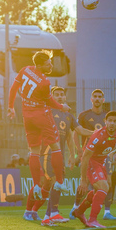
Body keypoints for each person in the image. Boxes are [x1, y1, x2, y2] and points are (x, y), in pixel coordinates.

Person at [22, 86, 93, 226]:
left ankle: (46, 216)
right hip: (46, 151)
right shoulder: (46, 111)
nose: (60, 97)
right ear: (52, 97)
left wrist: (72, 155)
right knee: (53, 181)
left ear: (65, 98)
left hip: (58, 155)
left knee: (51, 183)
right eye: (57, 95)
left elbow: (76, 133)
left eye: (62, 95)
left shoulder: (68, 116)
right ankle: (43, 212)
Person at [7, 50, 71, 200]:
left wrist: (11, 107)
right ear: (41, 64)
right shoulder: (45, 82)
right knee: (56, 147)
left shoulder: (25, 70)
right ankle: (60, 182)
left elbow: (13, 89)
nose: (51, 65)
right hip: (41, 115)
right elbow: (50, 101)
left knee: (34, 151)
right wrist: (62, 107)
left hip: (27, 116)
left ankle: (36, 185)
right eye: (48, 62)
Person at [70, 89, 116, 220]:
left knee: (108, 182)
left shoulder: (108, 116)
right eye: (95, 97)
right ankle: (75, 207)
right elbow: (75, 132)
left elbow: (112, 135)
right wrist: (79, 149)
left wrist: (111, 152)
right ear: (91, 99)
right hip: (89, 154)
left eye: (99, 97)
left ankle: (107, 211)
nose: (97, 99)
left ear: (103, 100)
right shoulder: (84, 115)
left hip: (104, 155)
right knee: (85, 182)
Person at [73, 111, 116, 228]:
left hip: (102, 162)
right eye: (109, 120)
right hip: (91, 161)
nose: (112, 123)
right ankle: (92, 220)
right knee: (103, 187)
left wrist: (108, 172)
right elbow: (85, 157)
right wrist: (83, 180)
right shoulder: (97, 136)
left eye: (115, 121)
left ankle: (79, 212)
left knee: (98, 191)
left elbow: (107, 153)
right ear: (105, 121)